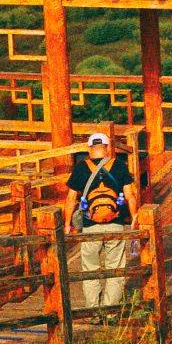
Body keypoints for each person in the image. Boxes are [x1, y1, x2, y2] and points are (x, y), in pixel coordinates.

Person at [65, 131, 138, 321]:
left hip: (90, 227)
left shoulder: (81, 168)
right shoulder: (119, 166)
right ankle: (111, 312)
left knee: (90, 270)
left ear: (90, 149)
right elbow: (130, 195)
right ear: (107, 148)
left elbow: (71, 198)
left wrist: (67, 224)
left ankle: (94, 314)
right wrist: (135, 217)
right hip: (115, 224)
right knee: (115, 268)